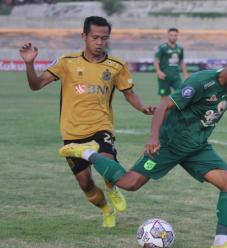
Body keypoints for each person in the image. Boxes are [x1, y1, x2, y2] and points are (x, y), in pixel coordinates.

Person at [58, 44, 227, 248]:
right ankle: (86, 152)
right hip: (169, 144)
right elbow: (163, 106)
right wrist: (154, 137)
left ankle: (221, 243)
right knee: (128, 183)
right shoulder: (202, 82)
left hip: (197, 148)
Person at [19, 16, 155, 228]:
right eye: (95, 37)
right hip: (72, 134)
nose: (100, 42)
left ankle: (112, 187)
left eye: (104, 38)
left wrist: (142, 107)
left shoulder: (117, 65)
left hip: (101, 126)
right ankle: (105, 209)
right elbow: (35, 85)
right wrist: (30, 64)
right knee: (85, 183)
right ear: (84, 36)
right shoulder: (66, 62)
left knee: (107, 162)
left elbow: (129, 93)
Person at [153, 28, 189, 98]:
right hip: (164, 77)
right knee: (164, 97)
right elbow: (156, 60)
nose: (173, 37)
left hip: (176, 76)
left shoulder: (180, 48)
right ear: (168, 36)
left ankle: (177, 109)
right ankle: (165, 109)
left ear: (177, 36)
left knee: (181, 94)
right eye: (171, 35)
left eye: (175, 35)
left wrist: (185, 75)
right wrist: (158, 71)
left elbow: (181, 62)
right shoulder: (162, 47)